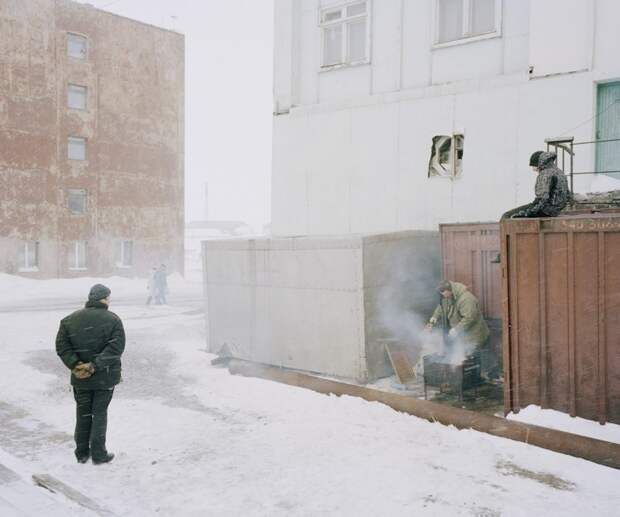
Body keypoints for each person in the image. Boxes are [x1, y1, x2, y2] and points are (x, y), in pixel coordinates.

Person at [55, 284, 125, 464]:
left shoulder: (69, 320)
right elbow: (116, 348)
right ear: (104, 299)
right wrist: (95, 365)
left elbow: (62, 347)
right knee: (99, 414)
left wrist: (77, 365)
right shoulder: (113, 320)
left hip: (80, 379)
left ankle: (82, 453)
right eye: (109, 297)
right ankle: (99, 454)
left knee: (83, 414)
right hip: (105, 377)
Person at [425, 281, 493, 377]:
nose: (444, 297)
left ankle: (478, 378)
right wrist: (432, 321)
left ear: (450, 290)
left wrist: (456, 329)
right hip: (462, 334)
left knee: (470, 360)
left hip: (474, 334)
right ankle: (467, 377)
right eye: (442, 295)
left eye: (445, 294)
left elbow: (470, 318)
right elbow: (440, 309)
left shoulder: (466, 299)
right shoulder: (446, 297)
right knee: (462, 358)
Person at [501, 151, 569, 219]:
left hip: (545, 210)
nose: (533, 169)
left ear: (540, 163)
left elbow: (542, 200)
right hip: (555, 210)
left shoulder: (545, 174)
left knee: (507, 216)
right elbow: (567, 194)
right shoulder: (559, 172)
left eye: (533, 165)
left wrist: (527, 213)